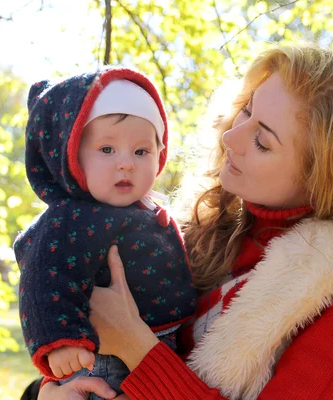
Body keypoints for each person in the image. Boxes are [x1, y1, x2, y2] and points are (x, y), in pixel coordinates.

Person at [35, 44, 333, 400]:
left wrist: (135, 347)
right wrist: (48, 392)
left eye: (262, 141)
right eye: (246, 110)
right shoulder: (200, 223)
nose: (231, 137)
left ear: (323, 177)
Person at [14, 68, 197, 398]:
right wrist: (61, 341)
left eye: (142, 151)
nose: (126, 163)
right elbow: (44, 278)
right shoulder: (70, 219)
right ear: (72, 157)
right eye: (107, 150)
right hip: (104, 359)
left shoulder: (147, 209)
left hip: (158, 351)